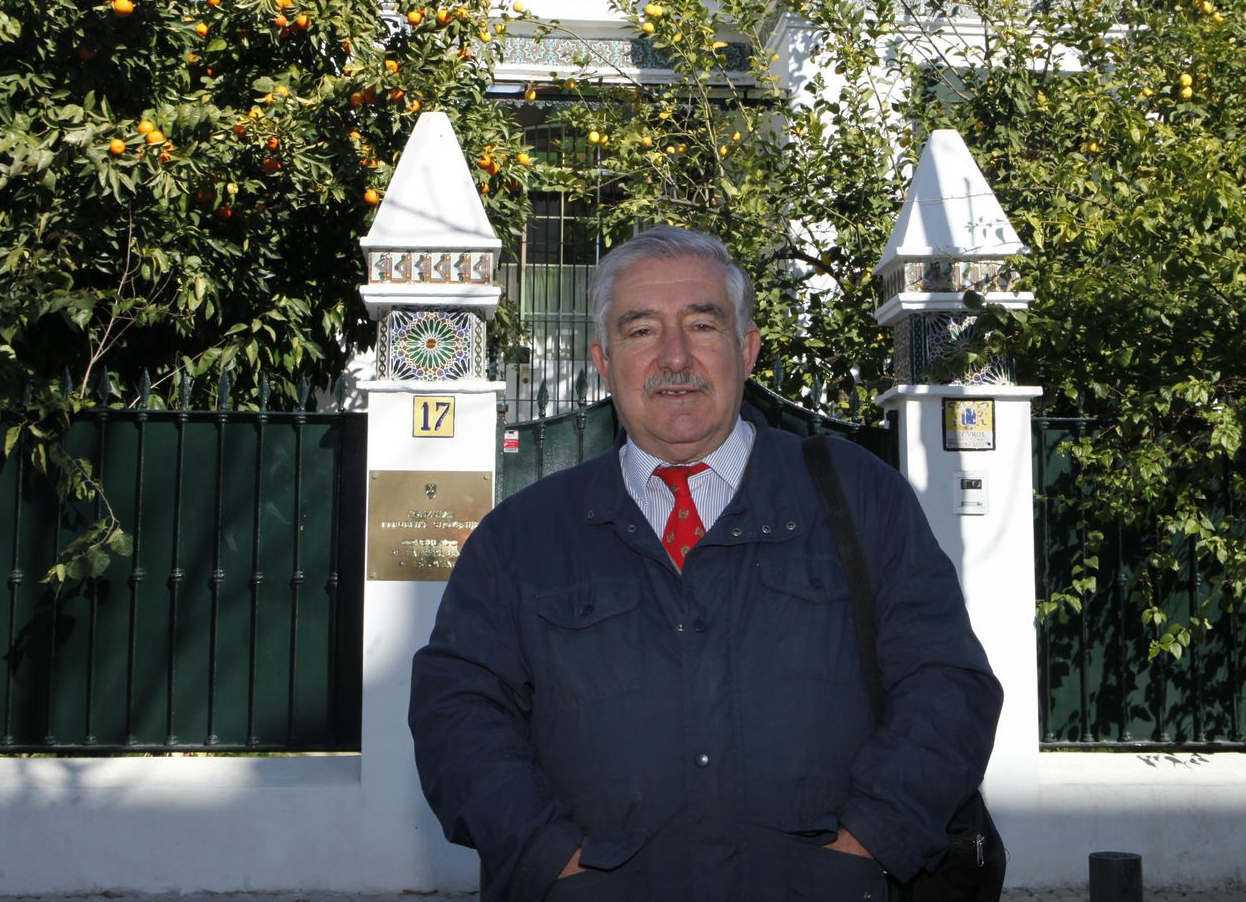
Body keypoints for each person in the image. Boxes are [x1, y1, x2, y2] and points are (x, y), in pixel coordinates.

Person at [409, 226, 1001, 901]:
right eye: (641, 330)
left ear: (746, 350)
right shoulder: (521, 537)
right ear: (603, 361)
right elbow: (458, 716)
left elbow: (946, 683)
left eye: (703, 324)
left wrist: (867, 846)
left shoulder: (859, 497)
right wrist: (552, 861)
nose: (675, 357)